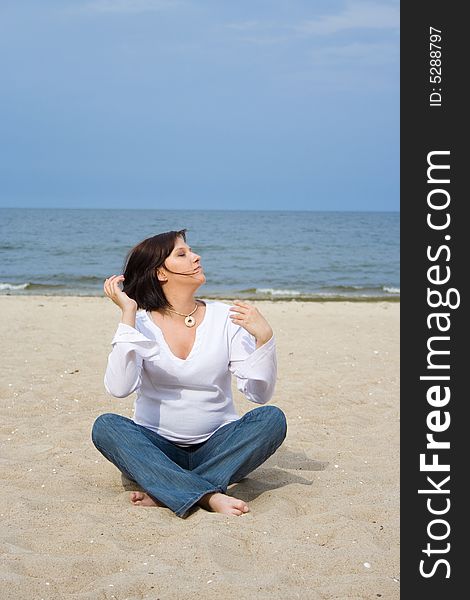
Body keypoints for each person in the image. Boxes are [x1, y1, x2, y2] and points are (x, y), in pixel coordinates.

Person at [91, 229, 287, 518]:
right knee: (106, 426)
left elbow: (259, 395)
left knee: (272, 419)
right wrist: (128, 314)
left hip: (218, 446)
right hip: (157, 448)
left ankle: (168, 490)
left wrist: (264, 339)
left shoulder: (226, 319)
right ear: (160, 273)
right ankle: (208, 494)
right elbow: (119, 388)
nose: (196, 257)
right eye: (182, 254)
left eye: (191, 251)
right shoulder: (139, 324)